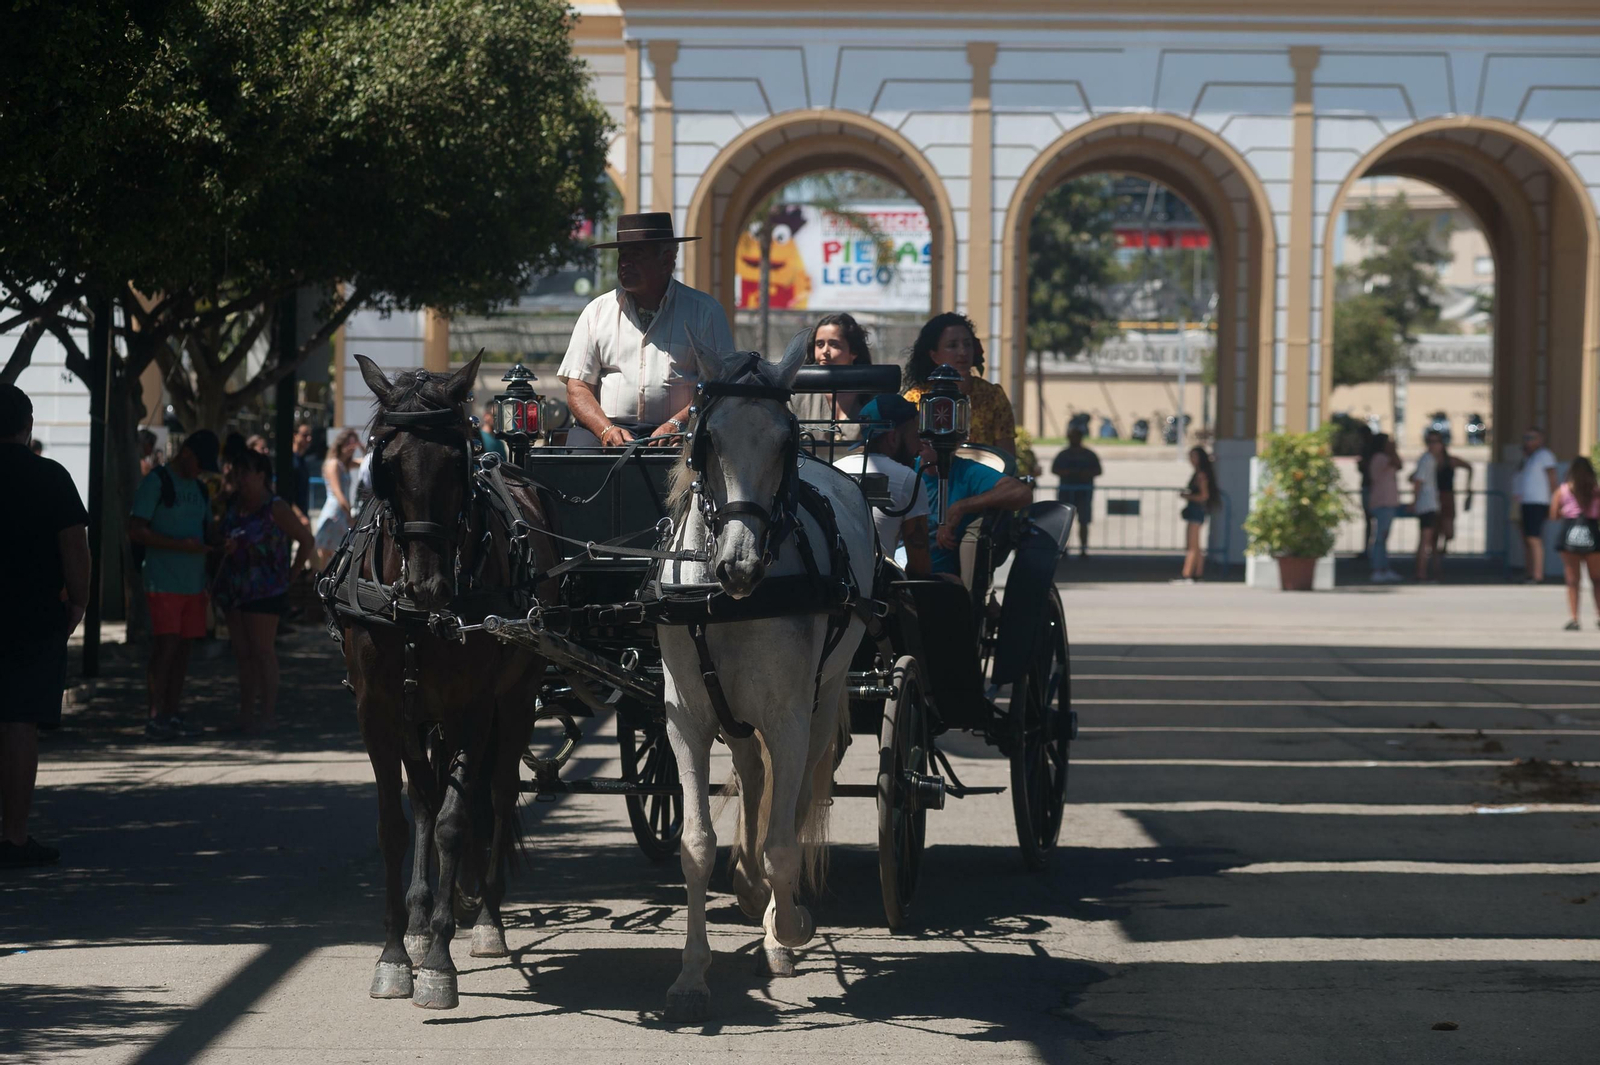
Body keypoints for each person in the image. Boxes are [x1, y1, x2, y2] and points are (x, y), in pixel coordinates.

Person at [0, 385, 89, 867]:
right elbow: (75, 545)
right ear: (27, 425)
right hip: (32, 618)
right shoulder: (50, 477)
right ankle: (12, 836)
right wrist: (78, 602)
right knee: (18, 725)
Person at [558, 212, 733, 447]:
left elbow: (720, 385)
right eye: (622, 255)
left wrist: (679, 423)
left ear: (667, 260)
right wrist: (605, 430)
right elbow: (577, 387)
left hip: (683, 432)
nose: (624, 263)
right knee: (576, 467)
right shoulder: (596, 312)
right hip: (604, 429)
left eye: (636, 255)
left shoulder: (705, 312)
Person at [129, 428, 221, 740]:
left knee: (183, 651)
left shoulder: (200, 487)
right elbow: (136, 530)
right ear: (186, 453)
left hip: (194, 584)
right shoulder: (157, 481)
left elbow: (207, 531)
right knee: (165, 648)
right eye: (200, 462)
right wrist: (181, 545)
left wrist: (221, 543)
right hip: (162, 581)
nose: (201, 470)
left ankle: (171, 712)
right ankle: (155, 715)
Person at [216, 451, 317, 731]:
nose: (240, 479)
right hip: (234, 588)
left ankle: (268, 714)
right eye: (236, 473)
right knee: (242, 652)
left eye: (245, 472)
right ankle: (245, 712)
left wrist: (290, 576)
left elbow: (306, 540)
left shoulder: (276, 507)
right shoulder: (233, 505)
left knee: (262, 651)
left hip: (264, 590)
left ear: (261, 475)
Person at [832, 395, 930, 578]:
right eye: (915, 435)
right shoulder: (909, 479)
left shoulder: (835, 469)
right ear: (893, 438)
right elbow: (920, 567)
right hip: (876, 588)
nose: (920, 446)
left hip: (831, 582)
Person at [901, 312, 1015, 455]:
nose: (962, 352)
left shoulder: (993, 396)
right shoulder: (915, 399)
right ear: (934, 356)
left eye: (967, 344)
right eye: (952, 345)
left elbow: (1007, 457)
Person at [918, 440, 1033, 578]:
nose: (929, 438)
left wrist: (961, 506)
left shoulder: (967, 471)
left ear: (958, 440)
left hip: (939, 577)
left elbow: (1020, 492)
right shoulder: (903, 468)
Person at [793, 313, 872, 446]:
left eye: (834, 345)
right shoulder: (797, 397)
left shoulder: (872, 397)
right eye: (819, 344)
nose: (825, 351)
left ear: (853, 351)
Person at [1551, 456, 1600, 631]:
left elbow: (1554, 515)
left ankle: (1574, 618)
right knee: (1597, 579)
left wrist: (1568, 510)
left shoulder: (1563, 491)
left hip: (1569, 534)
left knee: (1573, 581)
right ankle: (1598, 615)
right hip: (1592, 534)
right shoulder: (1595, 491)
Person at [1513, 427, 1559, 583]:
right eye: (1526, 437)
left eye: (1531, 437)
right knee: (1526, 538)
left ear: (1541, 439)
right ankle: (1529, 571)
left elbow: (1552, 478)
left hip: (1538, 502)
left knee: (1534, 538)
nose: (1528, 441)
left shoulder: (1545, 455)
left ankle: (1538, 575)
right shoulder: (1528, 458)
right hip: (1526, 502)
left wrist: (1556, 501)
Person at [1052, 427, 1101, 558]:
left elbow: (1098, 470)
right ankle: (1064, 548)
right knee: (1065, 521)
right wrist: (1066, 473)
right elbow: (1054, 469)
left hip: (1084, 492)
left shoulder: (1089, 454)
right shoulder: (1063, 454)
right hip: (1066, 492)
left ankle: (1083, 548)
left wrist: (1085, 474)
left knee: (1083, 521)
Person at [314, 428, 361, 565]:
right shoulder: (333, 464)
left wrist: (361, 446)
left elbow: (366, 461)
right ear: (341, 444)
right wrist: (349, 514)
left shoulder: (344, 464)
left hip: (341, 513)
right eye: (348, 444)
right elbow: (338, 492)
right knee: (326, 556)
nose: (351, 448)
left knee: (335, 555)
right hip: (335, 512)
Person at [1174, 446, 1216, 584]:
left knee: (1192, 545)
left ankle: (1187, 574)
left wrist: (1187, 496)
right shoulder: (1198, 473)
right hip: (1195, 510)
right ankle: (1198, 573)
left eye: (1194, 456)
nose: (1191, 459)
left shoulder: (1201, 475)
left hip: (1197, 511)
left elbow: (1204, 496)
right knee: (1196, 545)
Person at [1432, 438, 1474, 577]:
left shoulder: (1451, 461)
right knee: (1434, 532)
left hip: (1448, 497)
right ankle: (1436, 565)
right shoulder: (1428, 461)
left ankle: (1443, 548)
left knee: (1449, 531)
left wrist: (1468, 487)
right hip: (1433, 498)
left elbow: (1469, 467)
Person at [1366, 433, 1403, 582]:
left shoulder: (1381, 458)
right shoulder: (1380, 458)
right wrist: (1393, 450)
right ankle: (1377, 569)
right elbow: (1398, 464)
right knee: (1380, 538)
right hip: (1382, 503)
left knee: (1383, 538)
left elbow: (1399, 465)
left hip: (1386, 503)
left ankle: (1384, 567)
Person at [1411, 432, 1444, 582]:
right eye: (1430, 441)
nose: (1433, 444)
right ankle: (1421, 573)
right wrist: (1414, 501)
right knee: (1426, 540)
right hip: (1426, 504)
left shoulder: (1431, 460)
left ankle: (1424, 571)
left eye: (1436, 441)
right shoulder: (1426, 459)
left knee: (1428, 539)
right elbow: (1418, 481)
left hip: (1430, 503)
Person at [286, 421, 314, 522]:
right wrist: (300, 516)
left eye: (310, 435)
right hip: (291, 519)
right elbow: (286, 494)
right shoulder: (290, 461)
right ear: (295, 436)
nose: (309, 438)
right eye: (305, 435)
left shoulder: (303, 460)